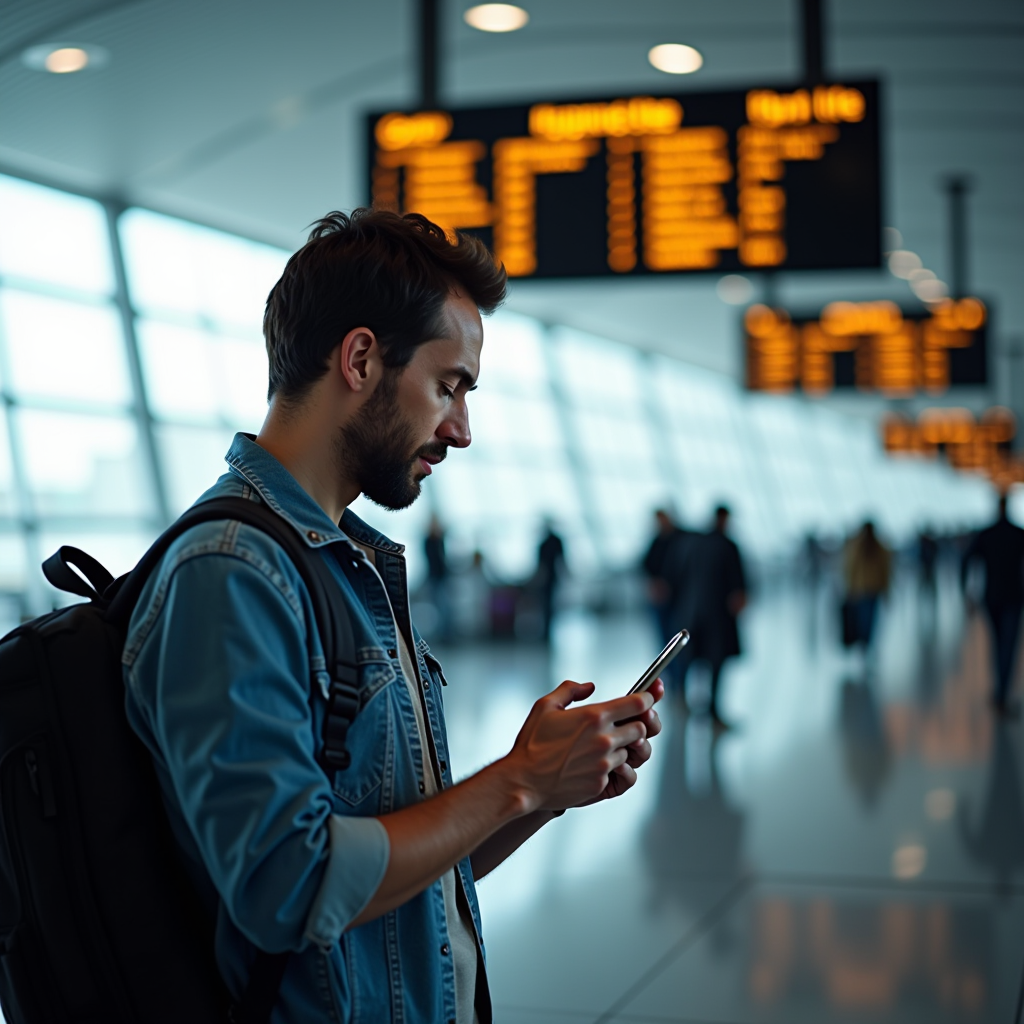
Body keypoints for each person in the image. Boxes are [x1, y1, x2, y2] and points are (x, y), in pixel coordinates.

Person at [122, 209, 663, 1024]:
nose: (462, 429)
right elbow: (290, 887)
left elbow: (402, 867)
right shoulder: (233, 570)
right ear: (362, 358)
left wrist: (543, 788)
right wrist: (514, 781)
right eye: (448, 386)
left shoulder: (343, 566)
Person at [670, 505, 747, 727]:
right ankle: (713, 710)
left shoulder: (690, 544)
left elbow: (675, 577)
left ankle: (682, 697)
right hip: (718, 615)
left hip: (690, 612)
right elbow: (738, 585)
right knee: (716, 662)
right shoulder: (727, 545)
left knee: (688, 657)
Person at [961, 495, 1024, 716]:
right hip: (1014, 597)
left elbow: (966, 559)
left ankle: (1000, 691)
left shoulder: (986, 534)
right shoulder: (1018, 533)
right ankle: (1002, 693)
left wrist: (967, 593)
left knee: (998, 645)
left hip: (992, 597)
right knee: (1008, 645)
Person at [642, 508, 690, 687]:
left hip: (678, 600)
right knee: (663, 640)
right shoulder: (657, 540)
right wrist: (655, 585)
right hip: (660, 600)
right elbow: (646, 565)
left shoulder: (681, 539)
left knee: (678, 640)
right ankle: (670, 676)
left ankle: (680, 678)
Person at [842, 520, 891, 656]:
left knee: (863, 619)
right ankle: (867, 644)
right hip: (872, 589)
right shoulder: (878, 547)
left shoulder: (858, 547)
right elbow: (886, 570)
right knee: (870, 619)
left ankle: (864, 644)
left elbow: (851, 568)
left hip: (861, 589)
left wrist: (850, 587)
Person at [536, 519, 566, 643]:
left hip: (549, 578)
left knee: (548, 604)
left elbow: (542, 565)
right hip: (551, 578)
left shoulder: (545, 543)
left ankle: (547, 631)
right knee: (548, 604)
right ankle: (547, 630)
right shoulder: (553, 542)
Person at [423, 514, 452, 640]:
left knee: (444, 606)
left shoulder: (438, 540)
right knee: (440, 606)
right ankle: (443, 634)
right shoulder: (430, 541)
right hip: (435, 577)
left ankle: (445, 633)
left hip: (441, 576)